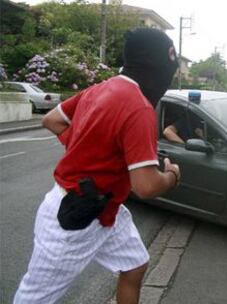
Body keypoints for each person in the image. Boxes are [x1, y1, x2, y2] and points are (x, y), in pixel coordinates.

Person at [14, 28, 180, 304]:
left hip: (106, 210)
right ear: (156, 64)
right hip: (73, 218)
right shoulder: (139, 107)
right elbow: (147, 186)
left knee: (134, 265)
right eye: (170, 65)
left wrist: (86, 148)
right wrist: (172, 175)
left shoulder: (101, 88)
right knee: (34, 298)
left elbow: (52, 120)